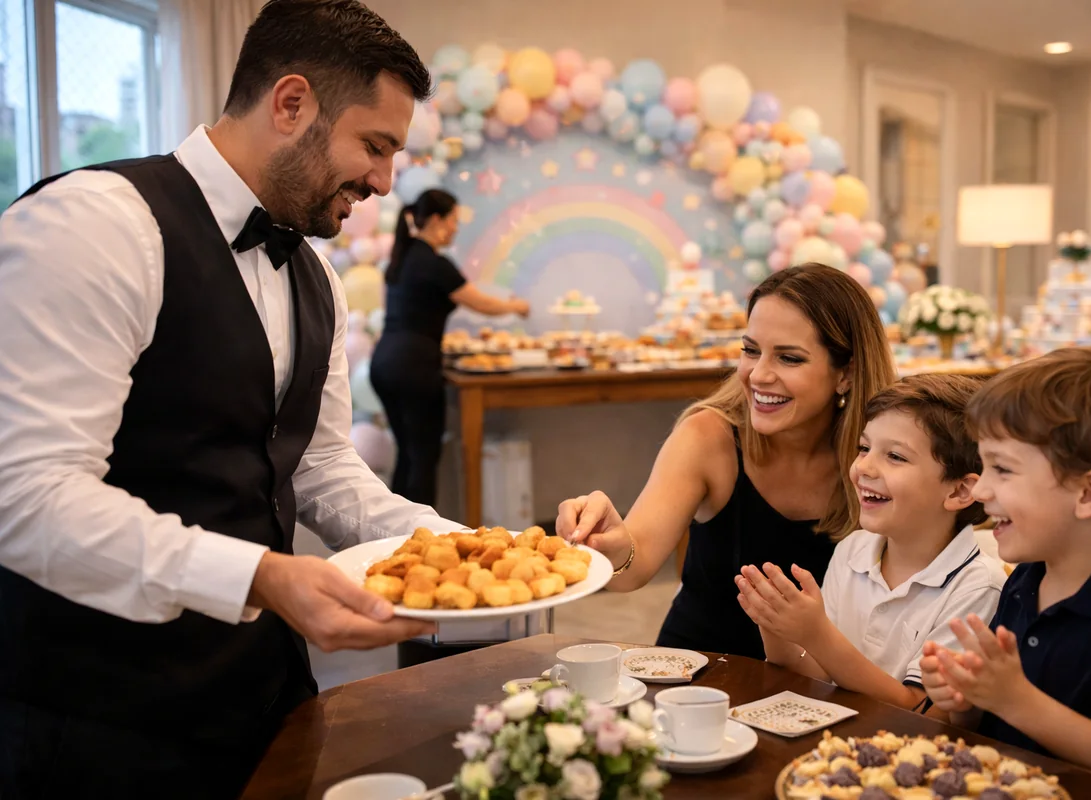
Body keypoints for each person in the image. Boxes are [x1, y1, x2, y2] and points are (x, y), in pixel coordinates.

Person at [0, 1, 465, 797]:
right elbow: (25, 495)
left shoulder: (316, 276)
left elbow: (316, 464)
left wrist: (473, 546)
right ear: (291, 104)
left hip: (266, 697)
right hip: (97, 716)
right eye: (375, 146)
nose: (386, 183)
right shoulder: (95, 223)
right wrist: (261, 576)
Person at [556, 264, 896, 659]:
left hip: (825, 689)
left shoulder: (879, 456)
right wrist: (611, 542)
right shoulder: (707, 436)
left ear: (847, 373)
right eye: (750, 350)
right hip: (699, 683)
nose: (758, 375)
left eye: (789, 358)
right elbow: (633, 567)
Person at [919, 347, 1091, 793]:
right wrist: (966, 698)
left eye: (1002, 469)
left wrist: (1017, 701)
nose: (982, 488)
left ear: (1090, 494)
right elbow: (992, 725)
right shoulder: (1026, 581)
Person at [736, 374, 1006, 714]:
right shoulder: (853, 550)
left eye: (894, 456)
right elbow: (822, 676)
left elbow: (923, 713)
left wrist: (816, 634)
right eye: (864, 448)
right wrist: (779, 628)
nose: (862, 467)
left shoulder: (979, 587)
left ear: (959, 491)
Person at [370, 188, 529, 506]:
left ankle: (396, 535)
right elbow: (479, 302)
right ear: (438, 220)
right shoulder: (434, 263)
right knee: (424, 457)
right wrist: (515, 307)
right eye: (454, 220)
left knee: (409, 454)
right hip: (414, 366)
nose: (457, 228)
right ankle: (419, 539)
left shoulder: (405, 256)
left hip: (385, 363)